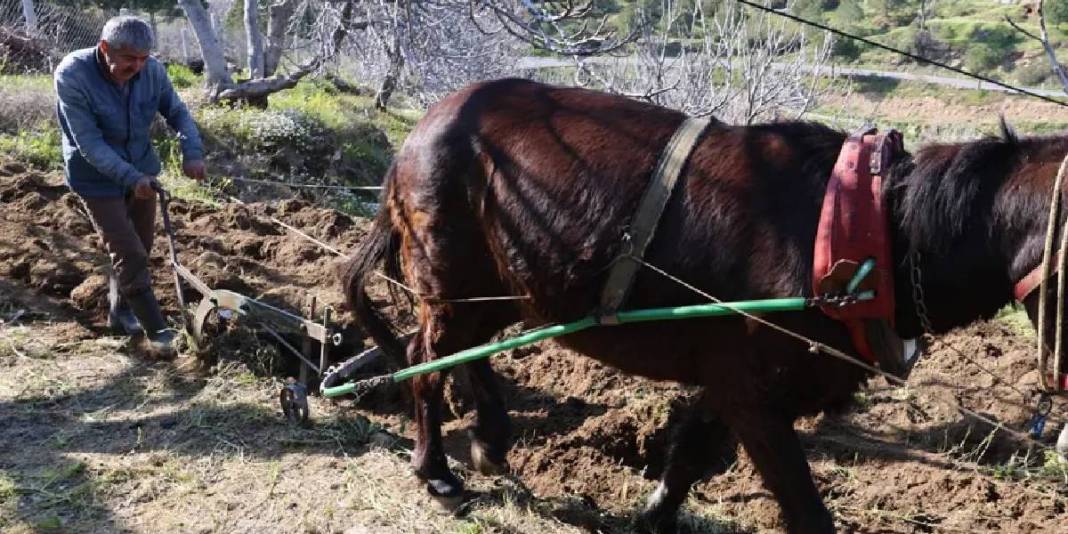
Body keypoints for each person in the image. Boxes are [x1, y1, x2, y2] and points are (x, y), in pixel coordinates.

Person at [54, 15, 205, 357]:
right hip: (95, 177)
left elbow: (177, 112)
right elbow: (89, 144)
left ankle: (120, 312)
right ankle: (159, 333)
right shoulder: (72, 74)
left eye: (143, 58)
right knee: (129, 252)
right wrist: (131, 178)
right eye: (128, 59)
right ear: (105, 48)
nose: (136, 66)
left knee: (141, 246)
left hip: (141, 170)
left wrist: (191, 152)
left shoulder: (151, 71)